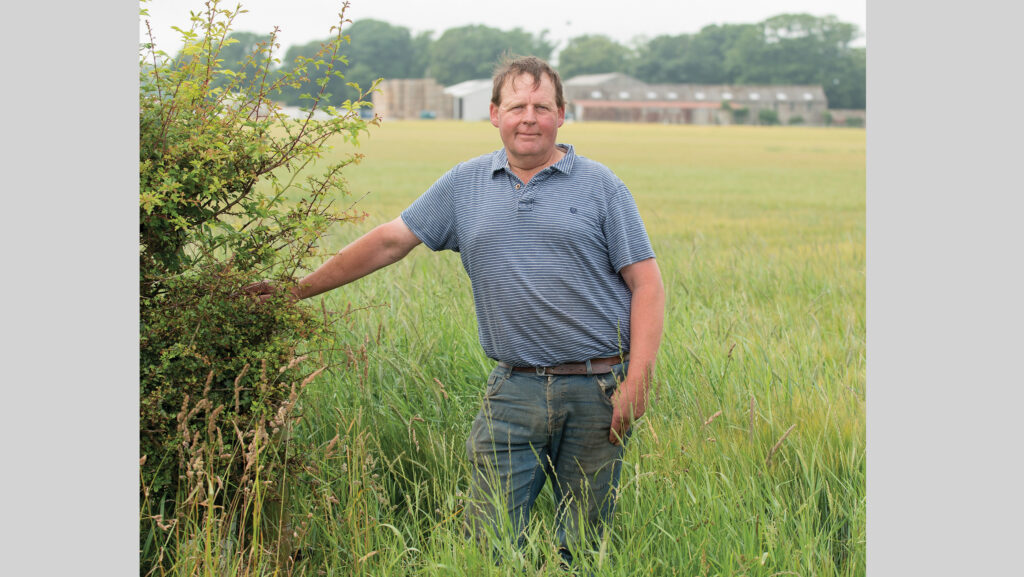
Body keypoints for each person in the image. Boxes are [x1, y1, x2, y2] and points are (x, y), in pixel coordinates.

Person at [247, 55, 665, 569]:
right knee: (486, 538)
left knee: (584, 540)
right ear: (494, 114)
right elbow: (389, 242)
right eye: (516, 106)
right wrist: (296, 290)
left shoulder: (602, 187)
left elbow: (646, 284)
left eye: (541, 106)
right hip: (515, 388)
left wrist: (638, 377)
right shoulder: (465, 185)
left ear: (562, 113)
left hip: (598, 388)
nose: (528, 117)